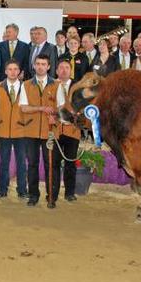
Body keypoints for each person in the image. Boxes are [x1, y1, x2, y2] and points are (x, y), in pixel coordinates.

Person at [20, 54, 57, 207]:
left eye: (44, 64)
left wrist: (55, 116)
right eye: (38, 64)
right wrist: (41, 108)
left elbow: (60, 108)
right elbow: (24, 108)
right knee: (33, 164)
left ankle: (51, 197)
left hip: (50, 131)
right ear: (34, 66)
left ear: (48, 67)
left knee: (51, 164)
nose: (41, 66)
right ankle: (33, 195)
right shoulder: (26, 85)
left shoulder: (56, 84)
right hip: (31, 131)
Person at [0, 60, 28, 199]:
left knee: (21, 162)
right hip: (3, 130)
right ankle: (2, 189)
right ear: (5, 71)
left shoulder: (26, 87)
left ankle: (22, 189)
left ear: (19, 72)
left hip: (21, 130)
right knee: (4, 161)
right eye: (10, 69)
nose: (12, 71)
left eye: (15, 69)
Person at [50, 60, 80, 208]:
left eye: (67, 68)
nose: (63, 70)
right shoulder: (51, 86)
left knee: (70, 163)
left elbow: (84, 107)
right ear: (56, 71)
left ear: (71, 70)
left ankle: (69, 192)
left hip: (72, 131)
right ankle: (53, 194)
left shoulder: (78, 88)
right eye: (60, 67)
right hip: (55, 131)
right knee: (54, 164)